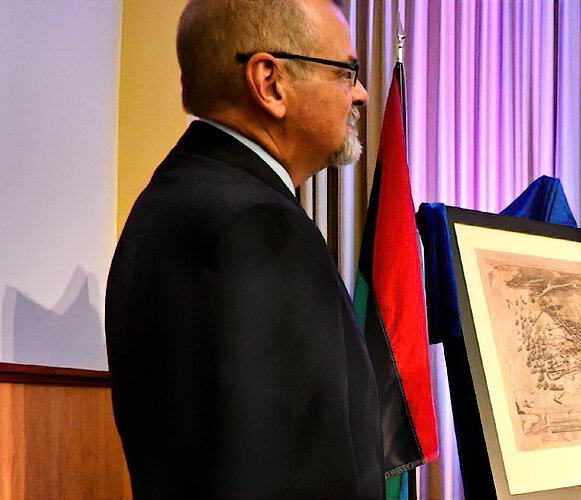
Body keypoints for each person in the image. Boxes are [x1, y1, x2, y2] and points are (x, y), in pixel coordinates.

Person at [104, 0, 382, 497]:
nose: (359, 94)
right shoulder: (257, 224)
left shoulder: (174, 201)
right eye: (347, 71)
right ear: (270, 83)